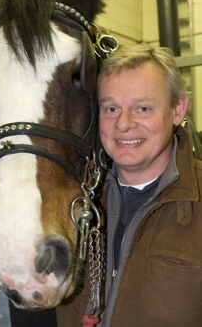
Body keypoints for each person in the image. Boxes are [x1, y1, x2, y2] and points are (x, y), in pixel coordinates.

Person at [56, 43, 202, 327]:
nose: (123, 124)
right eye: (111, 108)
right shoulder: (73, 199)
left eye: (143, 108)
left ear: (177, 109)